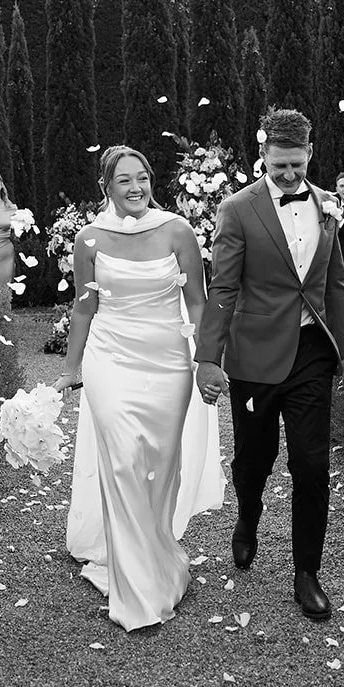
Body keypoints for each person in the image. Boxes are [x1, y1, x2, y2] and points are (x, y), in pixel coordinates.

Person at [195, 107, 344, 625]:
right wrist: (208, 358)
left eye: (297, 165)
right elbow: (223, 287)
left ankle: (307, 572)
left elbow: (335, 282)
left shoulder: (328, 205)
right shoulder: (237, 209)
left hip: (312, 353)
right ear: (262, 155)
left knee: (312, 465)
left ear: (310, 153)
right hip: (255, 355)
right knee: (254, 459)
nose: (289, 175)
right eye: (279, 165)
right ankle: (248, 516)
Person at [55, 145, 223, 632]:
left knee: (159, 466)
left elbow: (198, 301)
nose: (136, 187)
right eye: (124, 180)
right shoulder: (88, 240)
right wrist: (71, 369)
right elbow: (84, 308)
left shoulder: (178, 231)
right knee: (124, 459)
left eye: (142, 177)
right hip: (109, 359)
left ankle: (157, 554)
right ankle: (135, 588)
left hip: (168, 361)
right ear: (106, 187)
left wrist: (206, 360)